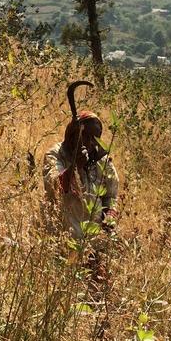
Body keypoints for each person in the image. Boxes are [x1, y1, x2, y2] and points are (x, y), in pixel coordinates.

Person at [43, 82, 119, 241]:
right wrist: (76, 166)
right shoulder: (56, 154)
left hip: (95, 237)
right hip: (63, 236)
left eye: (96, 137)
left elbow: (111, 197)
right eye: (86, 136)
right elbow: (54, 187)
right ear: (72, 134)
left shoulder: (102, 161)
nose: (91, 142)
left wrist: (109, 220)